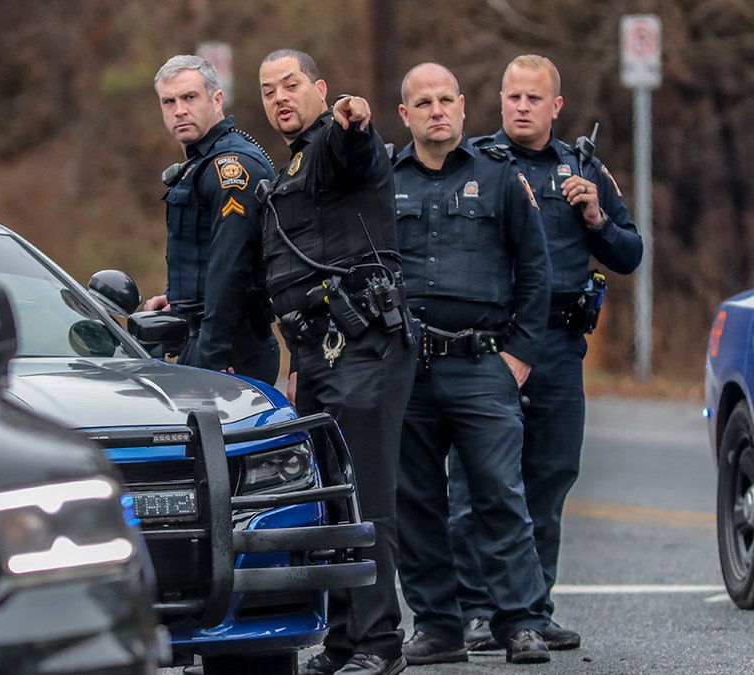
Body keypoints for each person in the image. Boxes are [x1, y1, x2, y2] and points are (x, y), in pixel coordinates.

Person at [451, 53, 644, 653]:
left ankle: (530, 610)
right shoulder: (473, 165)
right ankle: (478, 612)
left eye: (535, 99)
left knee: (549, 479)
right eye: (513, 97)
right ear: (500, 100)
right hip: (492, 345)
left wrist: (595, 218)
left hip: (560, 344)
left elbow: (631, 252)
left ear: (556, 106)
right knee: (477, 482)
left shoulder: (583, 168)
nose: (522, 108)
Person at [258, 48, 416, 675]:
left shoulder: (334, 144)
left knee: (367, 499)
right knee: (332, 500)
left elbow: (357, 150)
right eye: (268, 91)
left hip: (365, 345)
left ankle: (381, 644)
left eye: (291, 85)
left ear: (320, 89)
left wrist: (356, 121)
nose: (279, 98)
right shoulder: (287, 168)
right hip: (317, 353)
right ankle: (346, 641)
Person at [391, 63, 553, 667]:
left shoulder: (501, 179)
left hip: (485, 363)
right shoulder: (386, 180)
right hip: (408, 367)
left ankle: (521, 622)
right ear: (405, 115)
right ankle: (438, 625)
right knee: (418, 501)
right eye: (422, 102)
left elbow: (536, 269)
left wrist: (519, 355)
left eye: (445, 100)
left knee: (499, 495)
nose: (436, 110)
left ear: (462, 106)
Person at [145, 54, 280, 384]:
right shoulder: (202, 162)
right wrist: (177, 296)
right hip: (205, 336)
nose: (179, 110)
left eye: (189, 97)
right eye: (169, 101)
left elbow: (230, 263)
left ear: (216, 99)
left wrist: (213, 355)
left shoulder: (229, 166)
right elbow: (202, 247)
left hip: (232, 347)